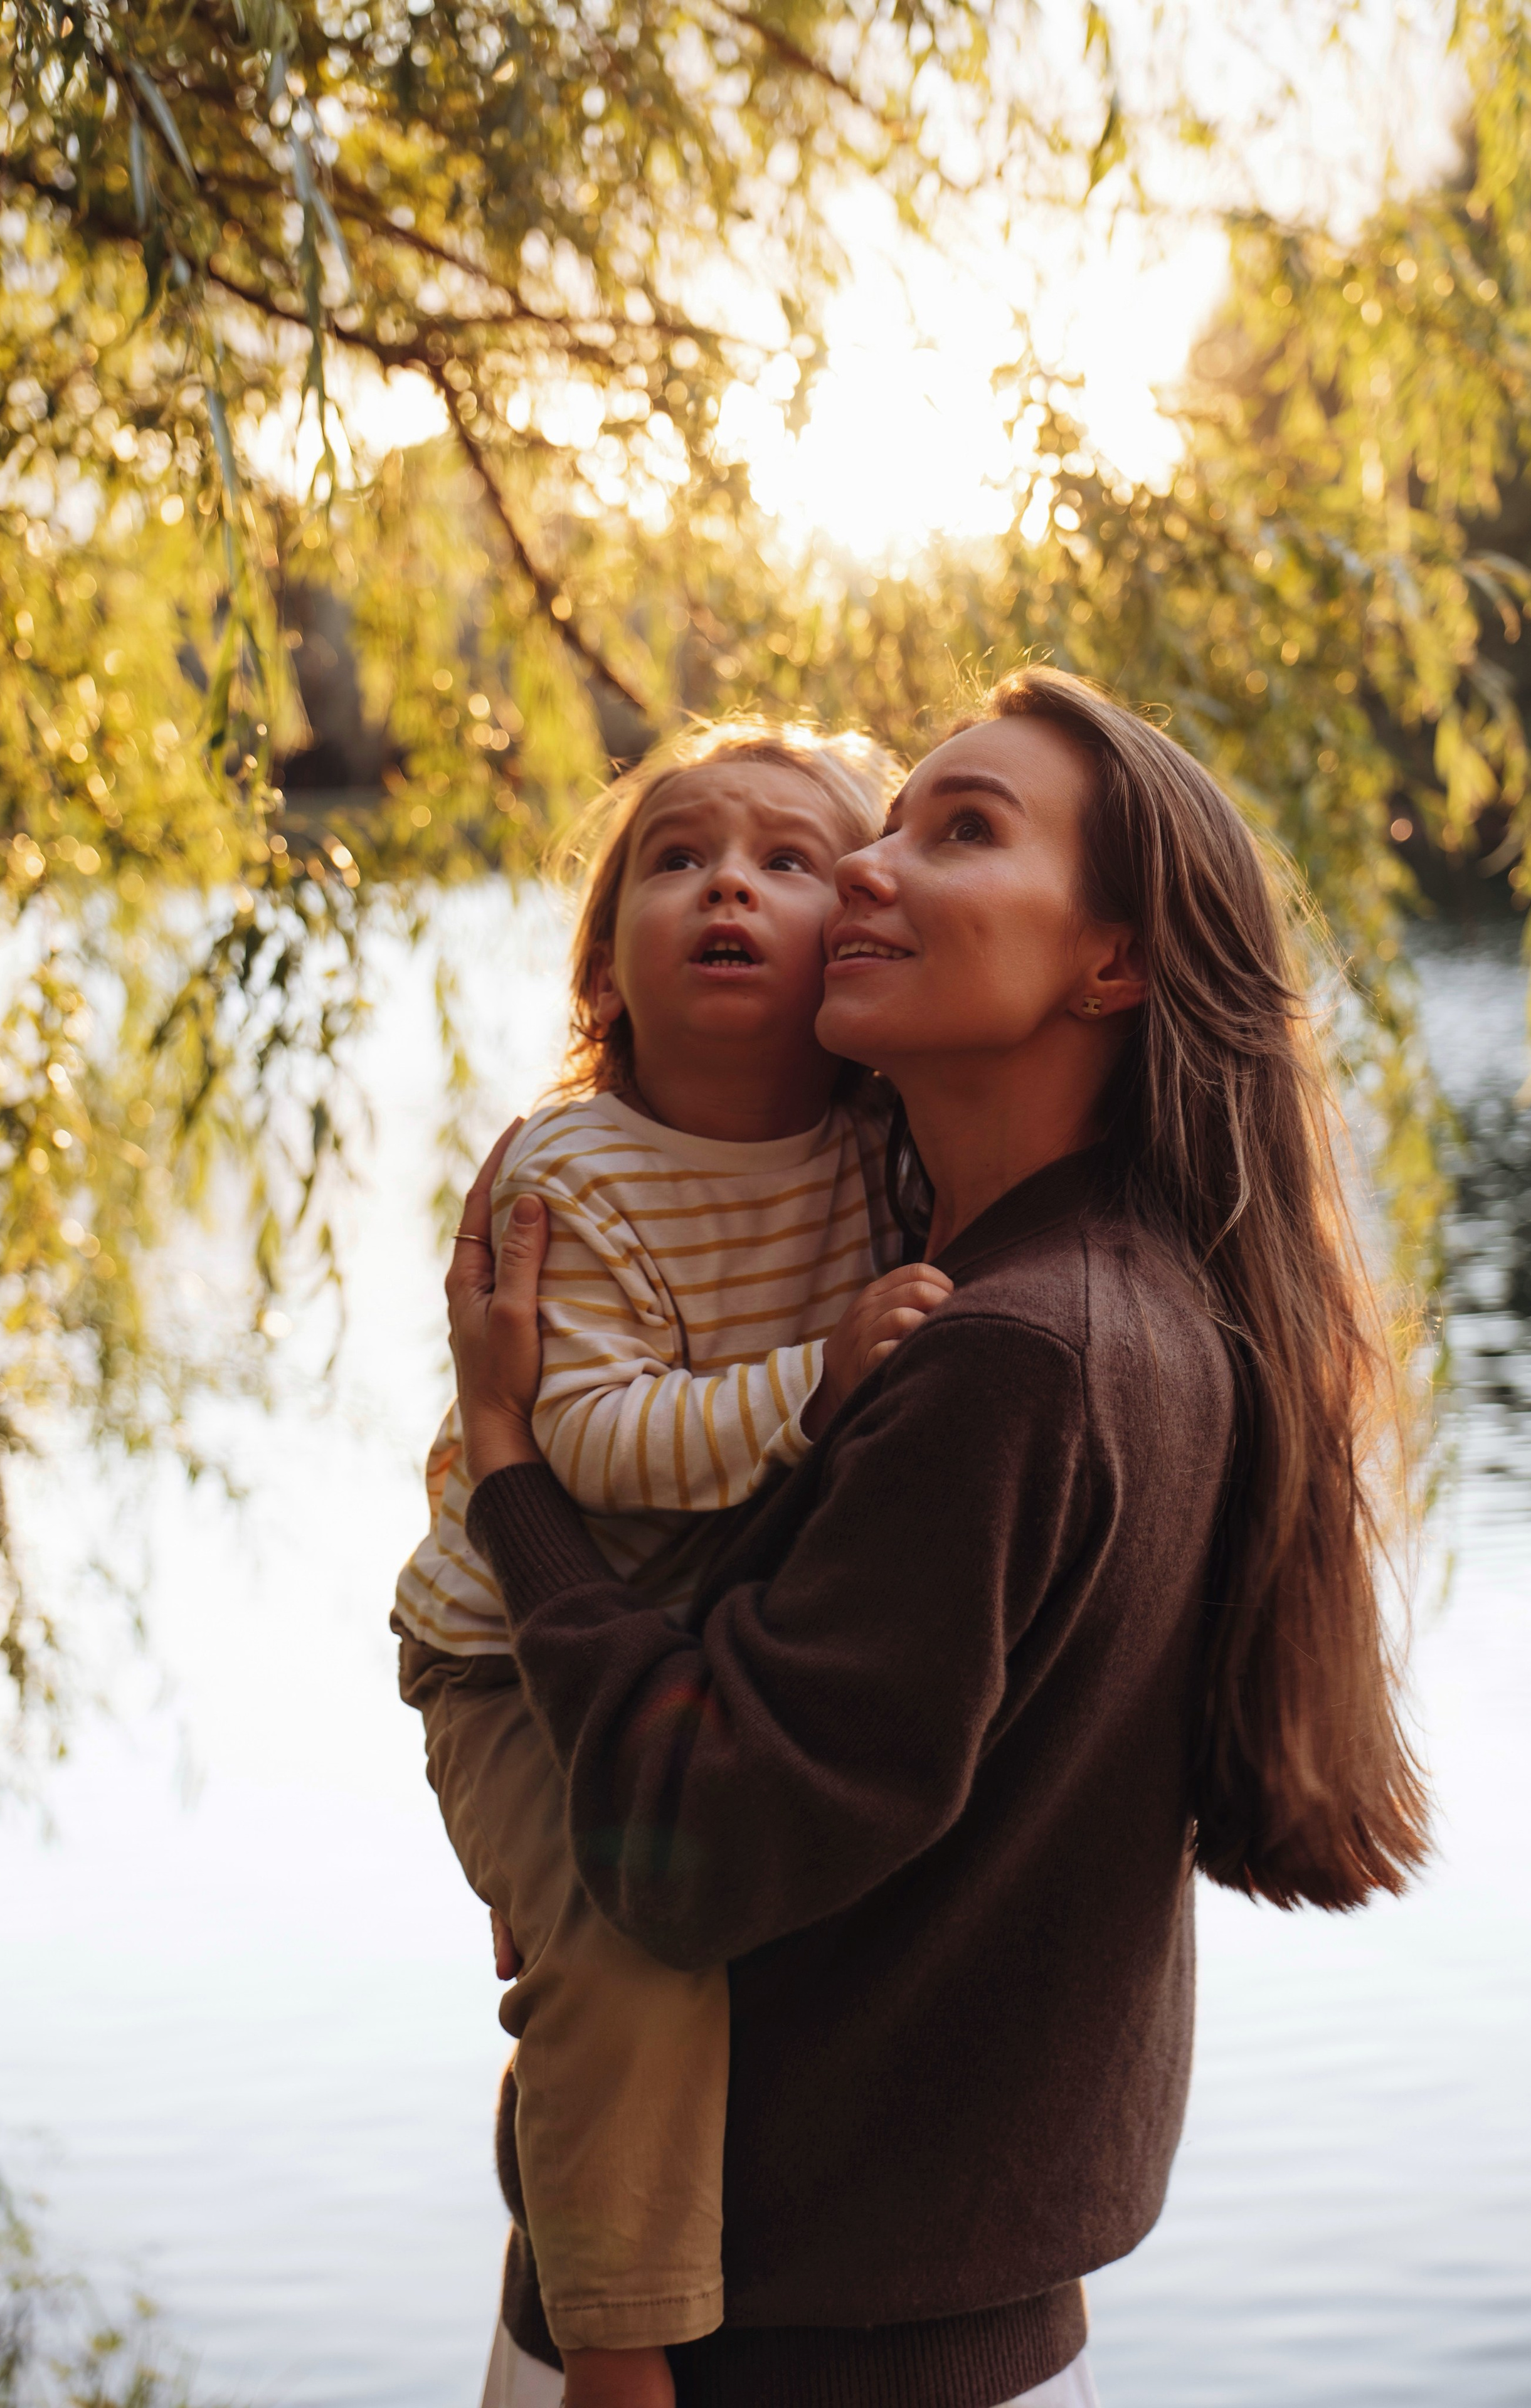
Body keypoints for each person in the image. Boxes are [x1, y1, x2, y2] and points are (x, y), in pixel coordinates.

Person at [450, 665, 1431, 2408]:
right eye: (887, 824)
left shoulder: (1015, 1352)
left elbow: (685, 1843)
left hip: (780, 2349)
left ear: (1112, 961)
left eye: (960, 832)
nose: (867, 868)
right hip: (925, 2308)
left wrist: (510, 1464)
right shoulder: (1084, 1282)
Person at [393, 717, 953, 2408]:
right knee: (624, 1952)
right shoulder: (571, 1174)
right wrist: (819, 1383)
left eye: (789, 862)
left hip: (673, 1654)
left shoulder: (881, 1144)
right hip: (512, 1658)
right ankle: (616, 2347)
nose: (730, 886)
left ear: (857, 950)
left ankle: (605, 2195)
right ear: (604, 970)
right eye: (680, 857)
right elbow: (589, 1438)